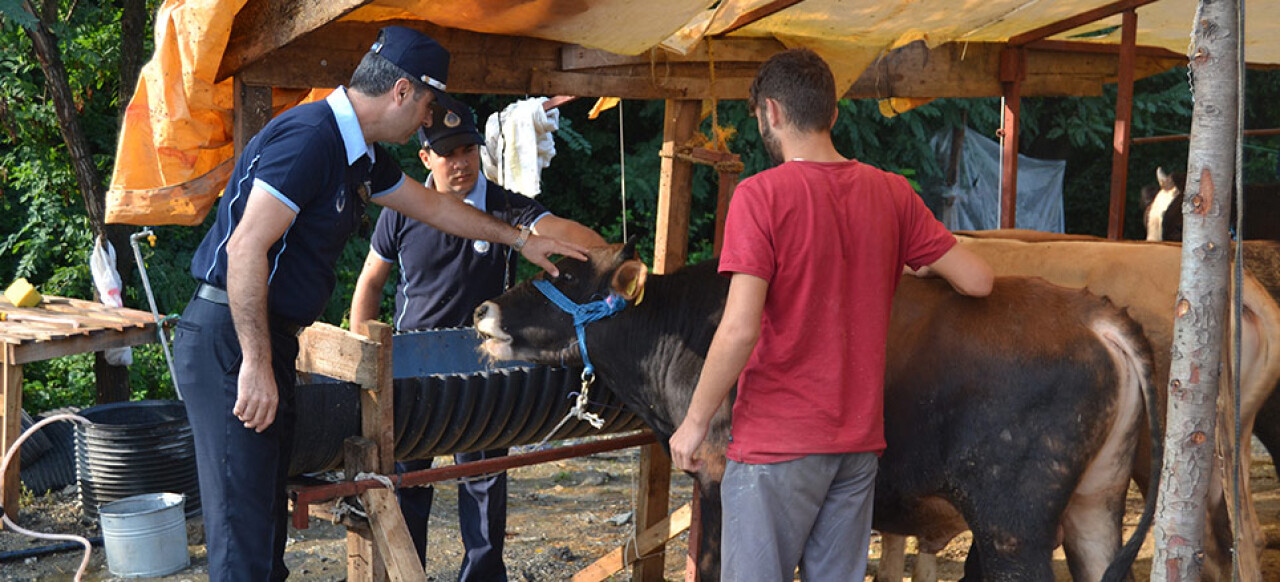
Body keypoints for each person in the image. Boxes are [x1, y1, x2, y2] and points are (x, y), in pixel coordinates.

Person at [172, 26, 586, 582]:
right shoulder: (312, 139)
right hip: (232, 334)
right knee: (241, 535)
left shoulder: (359, 155)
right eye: (427, 106)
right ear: (402, 92)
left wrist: (523, 239)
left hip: (267, 336)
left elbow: (436, 210)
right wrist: (254, 361)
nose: (426, 120)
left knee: (266, 525)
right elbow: (247, 246)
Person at [667, 49, 994, 582]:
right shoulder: (892, 192)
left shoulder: (760, 197)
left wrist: (696, 422)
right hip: (855, 446)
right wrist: (918, 265)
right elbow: (978, 280)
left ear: (770, 112)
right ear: (833, 114)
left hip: (776, 443)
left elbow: (740, 326)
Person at [348, 94, 603, 579]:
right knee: (407, 483)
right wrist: (364, 360)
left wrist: (611, 257)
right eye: (448, 153)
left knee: (484, 481)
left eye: (468, 150)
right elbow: (370, 283)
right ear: (425, 157)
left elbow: (564, 233)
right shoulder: (400, 210)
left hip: (482, 367)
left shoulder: (507, 209)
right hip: (410, 371)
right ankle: (407, 571)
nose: (461, 163)